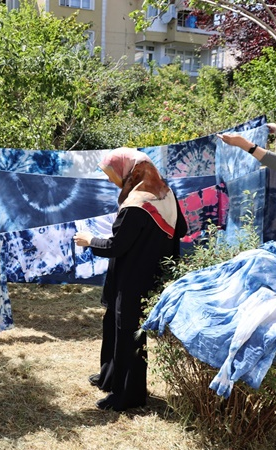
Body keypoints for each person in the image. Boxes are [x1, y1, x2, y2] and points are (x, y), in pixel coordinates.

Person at [73, 148, 187, 411]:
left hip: (133, 277)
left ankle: (128, 395)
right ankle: (110, 377)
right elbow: (180, 229)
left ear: (131, 172)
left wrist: (90, 241)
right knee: (113, 322)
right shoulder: (165, 193)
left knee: (129, 334)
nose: (113, 180)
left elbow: (116, 246)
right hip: (147, 272)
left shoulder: (137, 205)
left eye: (114, 174)